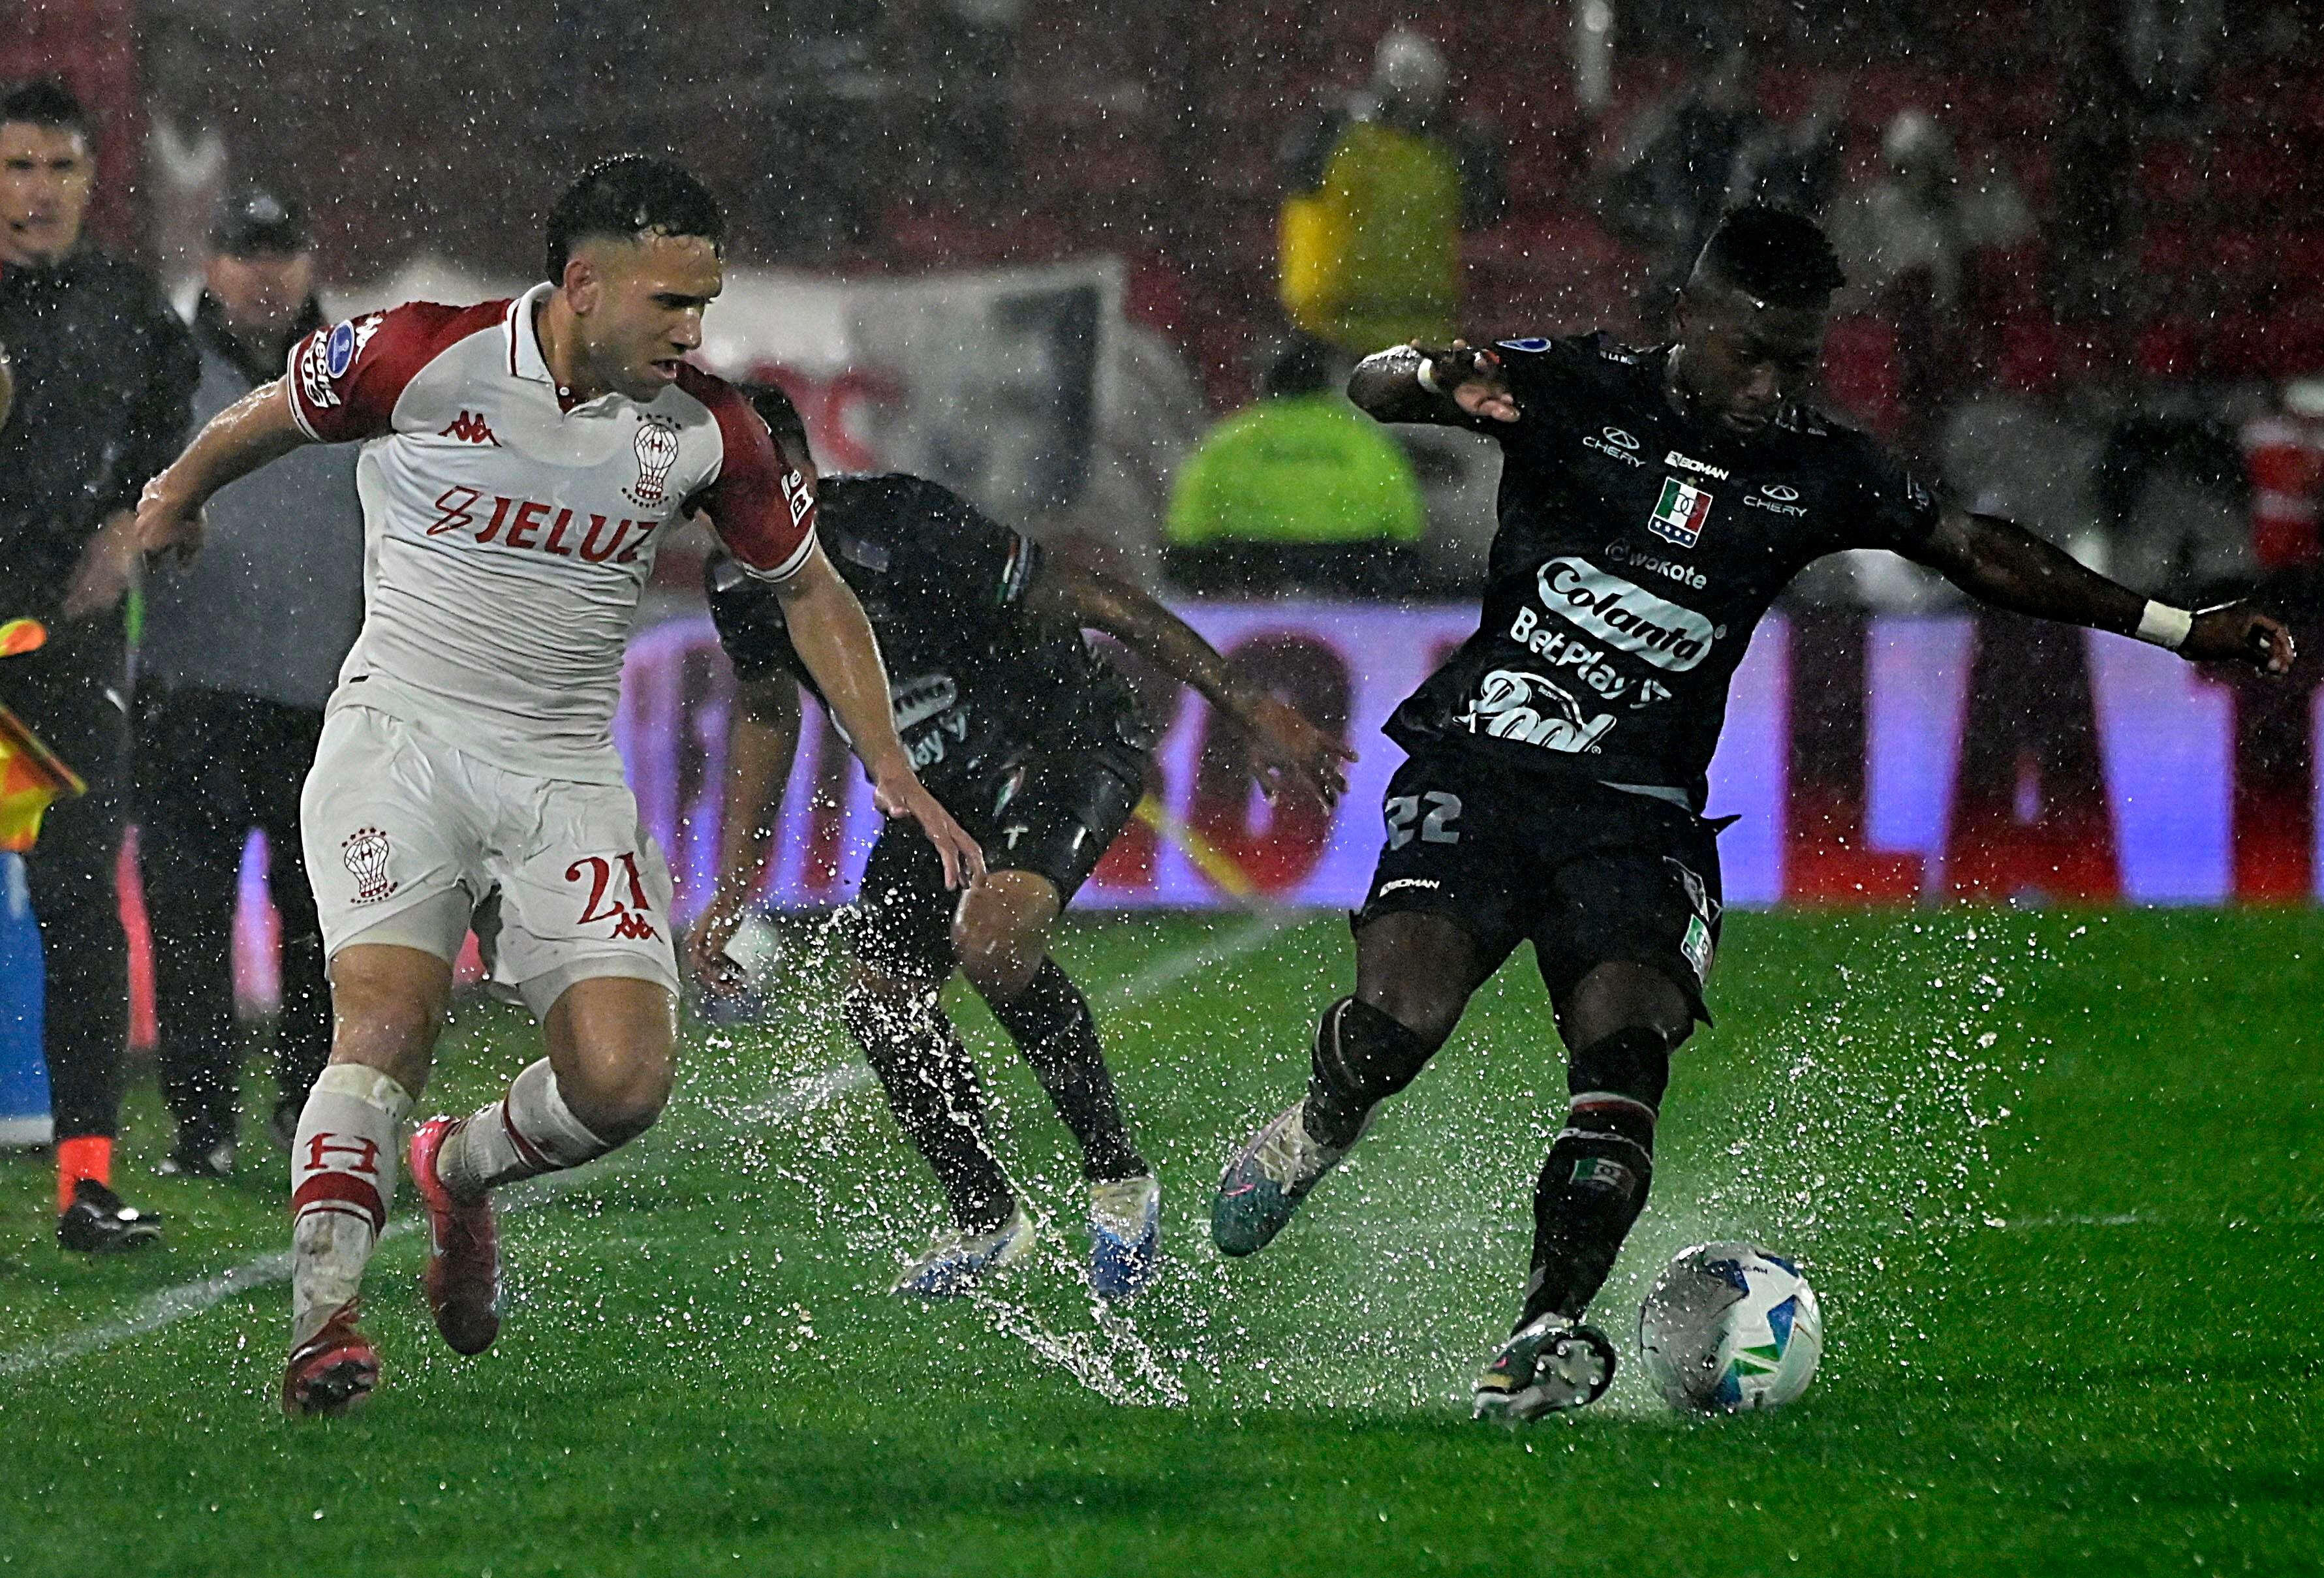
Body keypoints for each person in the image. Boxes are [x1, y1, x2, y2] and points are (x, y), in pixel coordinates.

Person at [1209, 206, 2293, 1423]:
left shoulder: (1816, 469)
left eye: (1800, 361)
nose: (1776, 385)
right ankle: (1318, 1122)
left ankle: (1540, 1331)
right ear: (1693, 317)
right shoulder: (1577, 385)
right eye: (1756, 353)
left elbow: (1975, 548)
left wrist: (2178, 626)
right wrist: (1422, 373)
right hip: (1482, 767)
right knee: (1397, 1026)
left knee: (1621, 1060)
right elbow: (1375, 385)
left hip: (1639, 816)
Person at [133, 154, 984, 1417]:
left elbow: (809, 586)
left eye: (707, 302)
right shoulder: (421, 356)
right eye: (672, 304)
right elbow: (272, 412)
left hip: (563, 772)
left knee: (625, 1084)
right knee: (387, 1021)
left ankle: (459, 1171)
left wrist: (895, 770)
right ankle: (325, 1326)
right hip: (398, 746)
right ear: (584, 285)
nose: (696, 331)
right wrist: (176, 492)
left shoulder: (708, 428)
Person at [688, 386, 1352, 1300]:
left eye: (769, 484)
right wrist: (732, 882)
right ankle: (987, 1219)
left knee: (994, 936)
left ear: (807, 470)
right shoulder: (735, 582)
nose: (754, 516)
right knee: (880, 1003)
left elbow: (1092, 596)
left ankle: (1118, 1180)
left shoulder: (902, 523)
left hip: (1062, 741)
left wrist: (1249, 705)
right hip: (937, 793)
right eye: (726, 502)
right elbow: (766, 706)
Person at [0, 78, 200, 1250]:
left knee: (80, 908)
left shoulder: (127, 306)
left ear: (89, 177)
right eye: (17, 167)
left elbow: (181, 458)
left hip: (65, 666)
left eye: (57, 168)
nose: (37, 192)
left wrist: (139, 524)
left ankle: (85, 1181)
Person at [134, 190, 361, 1179]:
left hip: (328, 693)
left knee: (328, 923)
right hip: (189, 688)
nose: (265, 272)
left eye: (282, 249)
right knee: (189, 919)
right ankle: (200, 1127)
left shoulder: (361, 376)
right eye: (244, 251)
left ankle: (311, 1106)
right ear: (210, 260)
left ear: (310, 260)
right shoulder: (159, 372)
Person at [1276, 28, 1505, 358]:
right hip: (1346, 331)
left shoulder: (1439, 153)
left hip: (1399, 331)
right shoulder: (1336, 136)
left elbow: (1486, 212)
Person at [1163, 335, 1425, 599]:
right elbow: (1406, 526)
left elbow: (1185, 527)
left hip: (1247, 570)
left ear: (1267, 384)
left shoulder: (1230, 440)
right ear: (1326, 385)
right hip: (1347, 568)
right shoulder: (1365, 440)